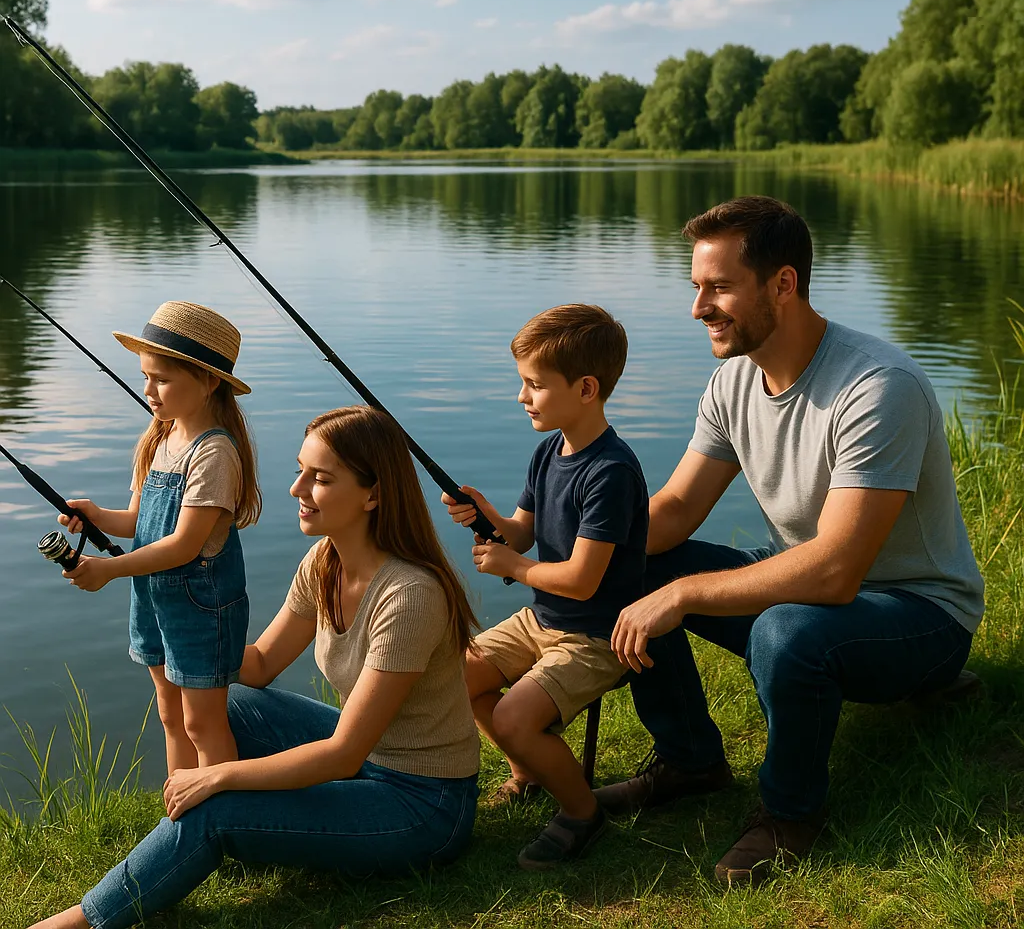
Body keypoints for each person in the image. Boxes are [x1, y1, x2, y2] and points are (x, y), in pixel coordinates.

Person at [595, 196, 984, 886]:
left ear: (783, 283)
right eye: (697, 288)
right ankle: (690, 760)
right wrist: (586, 551)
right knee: (634, 564)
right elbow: (679, 507)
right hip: (812, 588)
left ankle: (789, 814)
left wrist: (685, 595)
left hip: (917, 614)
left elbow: (835, 572)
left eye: (718, 288)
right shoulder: (732, 381)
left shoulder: (875, 386)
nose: (699, 308)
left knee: (785, 632)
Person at [33, 405, 481, 929]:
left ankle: (81, 921)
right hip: (370, 758)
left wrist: (220, 777)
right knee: (227, 704)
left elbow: (342, 754)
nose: (296, 490)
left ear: (373, 494)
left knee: (217, 809)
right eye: (299, 470)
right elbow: (261, 663)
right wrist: (185, 640)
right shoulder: (324, 562)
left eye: (321, 479)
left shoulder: (409, 595)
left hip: (423, 803)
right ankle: (181, 847)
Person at [444, 304, 648, 870]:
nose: (522, 397)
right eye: (522, 383)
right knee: (457, 676)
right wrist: (486, 514)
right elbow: (522, 534)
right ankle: (528, 771)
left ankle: (583, 813)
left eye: (534, 385)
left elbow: (582, 581)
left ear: (586, 389)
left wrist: (513, 567)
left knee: (511, 717)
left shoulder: (611, 472)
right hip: (545, 619)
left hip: (596, 635)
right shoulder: (548, 451)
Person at [59, 300, 261, 772]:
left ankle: (218, 818)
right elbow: (140, 522)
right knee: (171, 716)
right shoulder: (159, 437)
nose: (147, 389)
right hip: (152, 600)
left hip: (200, 608)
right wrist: (95, 516)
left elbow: (184, 544)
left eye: (162, 379)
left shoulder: (213, 454)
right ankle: (181, 814)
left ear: (210, 381)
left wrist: (108, 570)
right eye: (145, 376)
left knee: (202, 725)